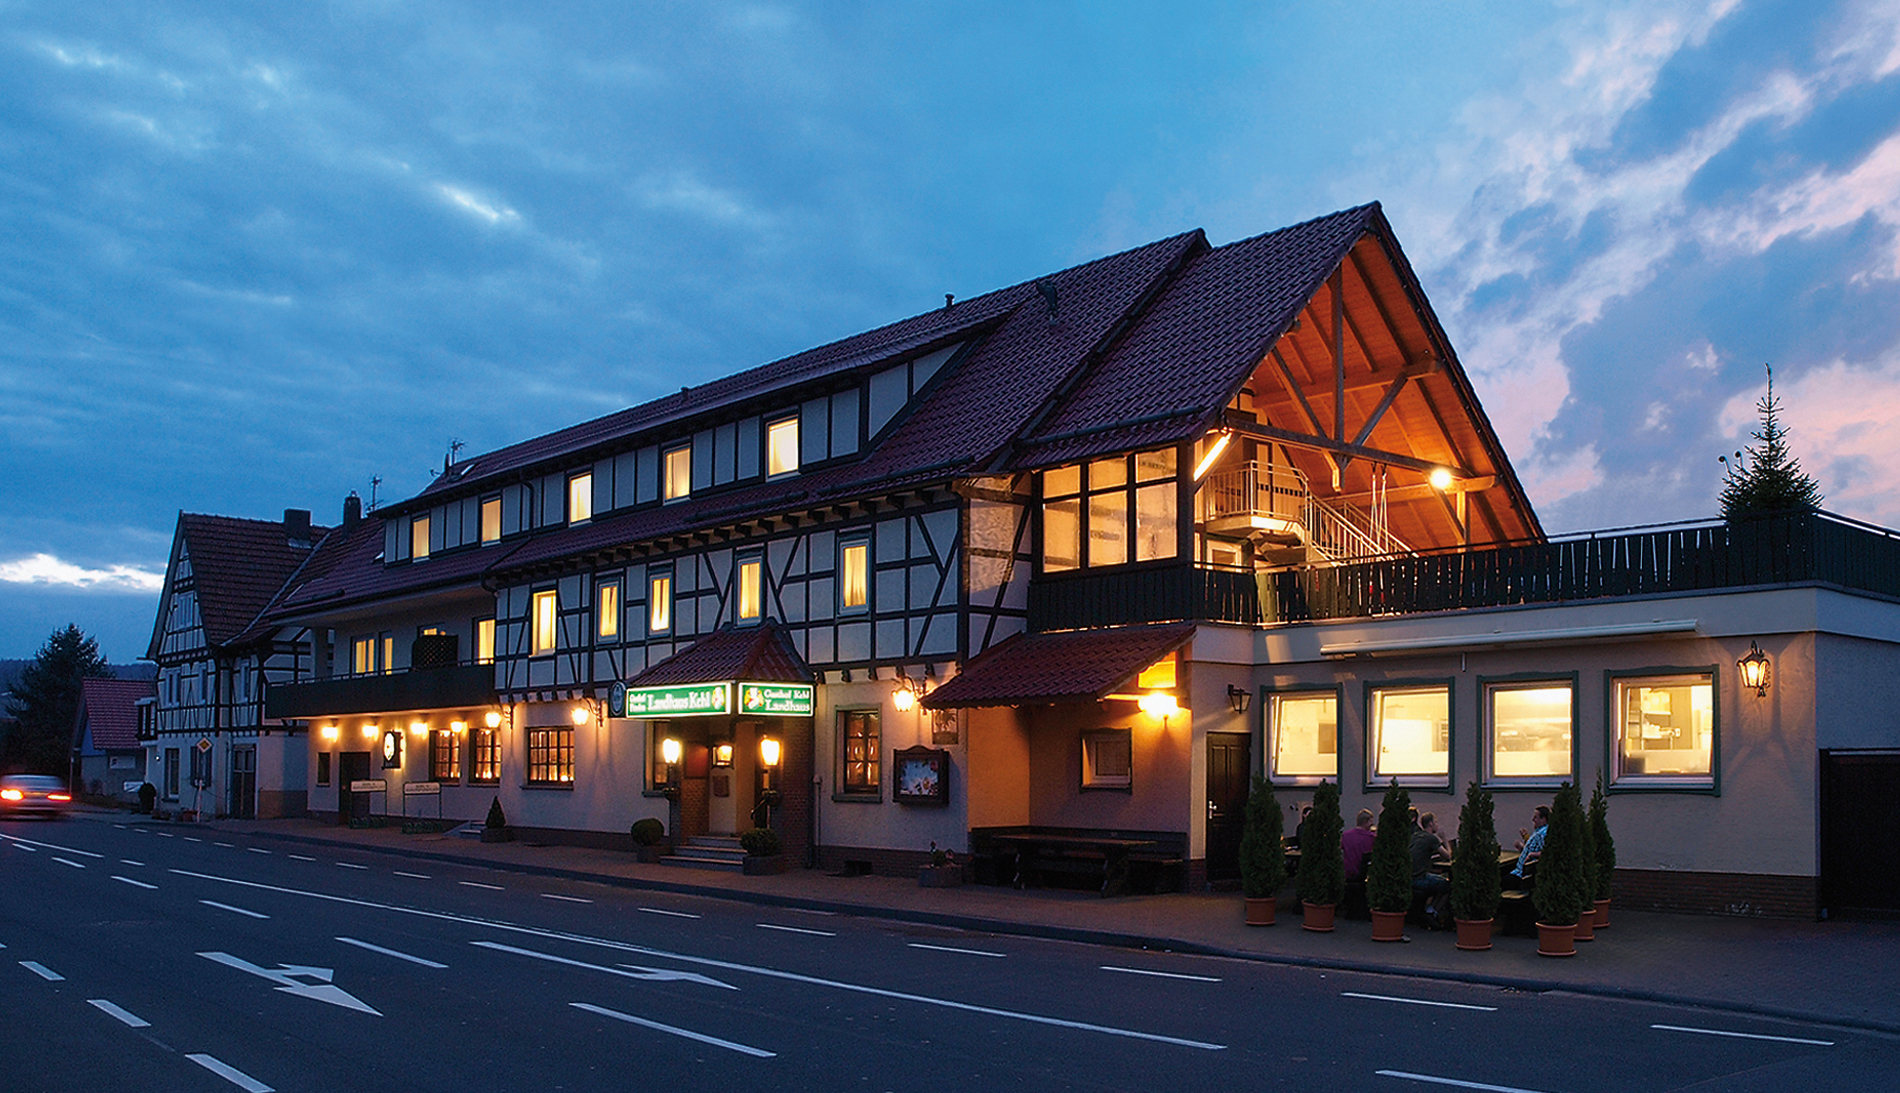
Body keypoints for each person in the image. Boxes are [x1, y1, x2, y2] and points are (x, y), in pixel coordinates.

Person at [1410, 811, 1453, 927]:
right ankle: (1432, 912)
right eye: (1436, 822)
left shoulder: (1415, 836)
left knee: (1440, 881)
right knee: (1449, 886)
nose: (1437, 825)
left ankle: (1429, 909)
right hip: (1418, 878)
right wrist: (1444, 839)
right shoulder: (1431, 839)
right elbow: (1448, 856)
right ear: (1431, 824)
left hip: (1410, 876)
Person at [1512, 805, 1550, 880]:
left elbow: (1546, 852)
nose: (1533, 819)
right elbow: (1534, 848)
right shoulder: (1539, 830)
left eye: (1535, 817)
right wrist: (1522, 847)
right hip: (1521, 872)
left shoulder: (1541, 834)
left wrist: (1532, 854)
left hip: (1520, 874)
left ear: (1543, 819)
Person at [1341, 809, 1376, 881]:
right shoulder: (1371, 838)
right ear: (1365, 821)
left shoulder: (1346, 835)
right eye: (1370, 822)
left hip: (1347, 875)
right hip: (1364, 876)